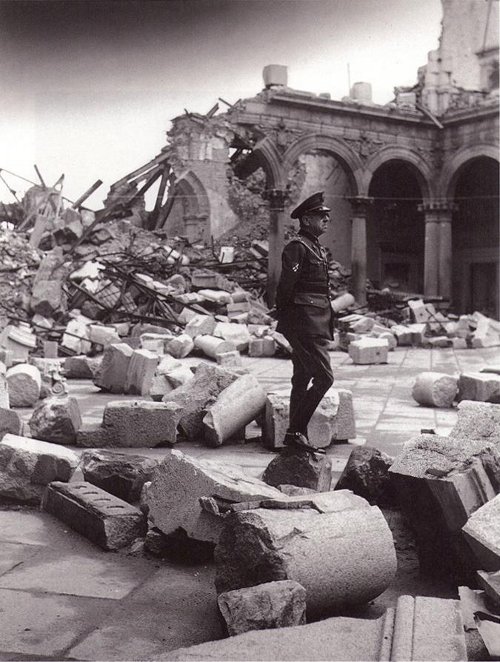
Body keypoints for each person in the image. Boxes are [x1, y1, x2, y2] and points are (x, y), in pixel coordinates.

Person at [275, 191, 334, 454]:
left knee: (302, 377)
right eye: (321, 216)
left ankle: (296, 436)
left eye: (327, 216)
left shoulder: (316, 247)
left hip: (315, 321)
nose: (327, 219)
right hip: (302, 322)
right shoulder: (297, 247)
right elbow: (286, 288)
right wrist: (288, 322)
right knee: (324, 378)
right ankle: (296, 431)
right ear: (307, 219)